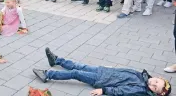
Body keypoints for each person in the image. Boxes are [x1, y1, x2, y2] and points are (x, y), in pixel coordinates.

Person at [33, 48, 172, 96]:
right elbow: (124, 71)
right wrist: (110, 68)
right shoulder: (143, 76)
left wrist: (103, 90)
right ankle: (57, 60)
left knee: (76, 73)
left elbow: (121, 91)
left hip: (101, 80)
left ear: (156, 93)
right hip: (104, 71)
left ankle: (48, 74)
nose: (153, 84)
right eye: (156, 82)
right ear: (158, 77)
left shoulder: (140, 89)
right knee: (79, 65)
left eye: (155, 88)